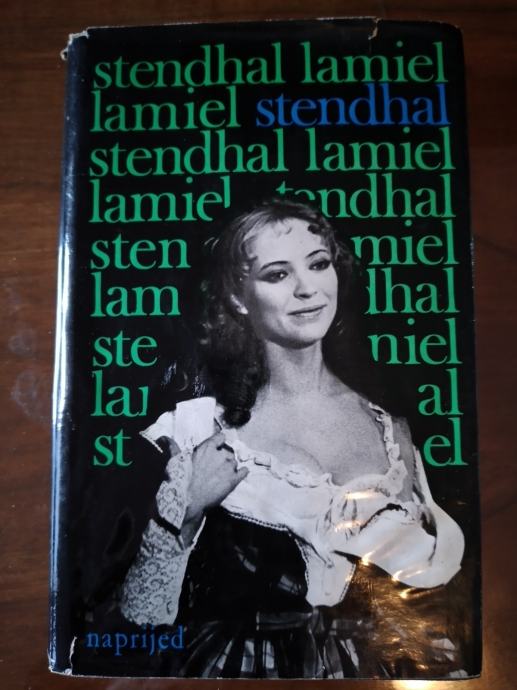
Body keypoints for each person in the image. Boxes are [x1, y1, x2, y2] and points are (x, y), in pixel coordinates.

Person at [119, 199, 466, 679]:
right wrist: (187, 509)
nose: (307, 289)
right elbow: (138, 619)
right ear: (238, 297)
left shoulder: (392, 432)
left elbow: (421, 603)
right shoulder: (196, 429)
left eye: (318, 264)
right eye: (278, 274)